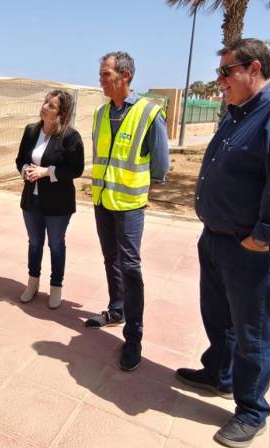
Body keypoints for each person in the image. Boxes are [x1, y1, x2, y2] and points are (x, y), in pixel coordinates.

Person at [176, 38, 270, 448]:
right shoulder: (238, 113)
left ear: (253, 69)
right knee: (218, 316)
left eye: (225, 72)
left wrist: (263, 237)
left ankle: (252, 410)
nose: (219, 81)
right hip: (218, 238)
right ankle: (219, 374)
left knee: (252, 328)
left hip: (252, 247)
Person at [85, 51, 170, 372]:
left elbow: (161, 165)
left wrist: (142, 189)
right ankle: (116, 308)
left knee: (131, 266)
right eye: (101, 73)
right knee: (111, 259)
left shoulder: (150, 113)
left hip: (130, 205)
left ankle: (133, 336)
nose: (101, 79)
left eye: (106, 74)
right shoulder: (99, 114)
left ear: (125, 76)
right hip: (103, 201)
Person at [16, 90, 85, 309]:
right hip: (31, 201)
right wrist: (25, 169)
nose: (45, 107)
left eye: (52, 106)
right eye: (46, 102)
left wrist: (47, 172)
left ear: (61, 113)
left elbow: (76, 169)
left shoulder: (70, 136)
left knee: (56, 244)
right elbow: (20, 160)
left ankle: (56, 287)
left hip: (58, 203)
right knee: (35, 243)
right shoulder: (31, 131)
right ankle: (32, 282)